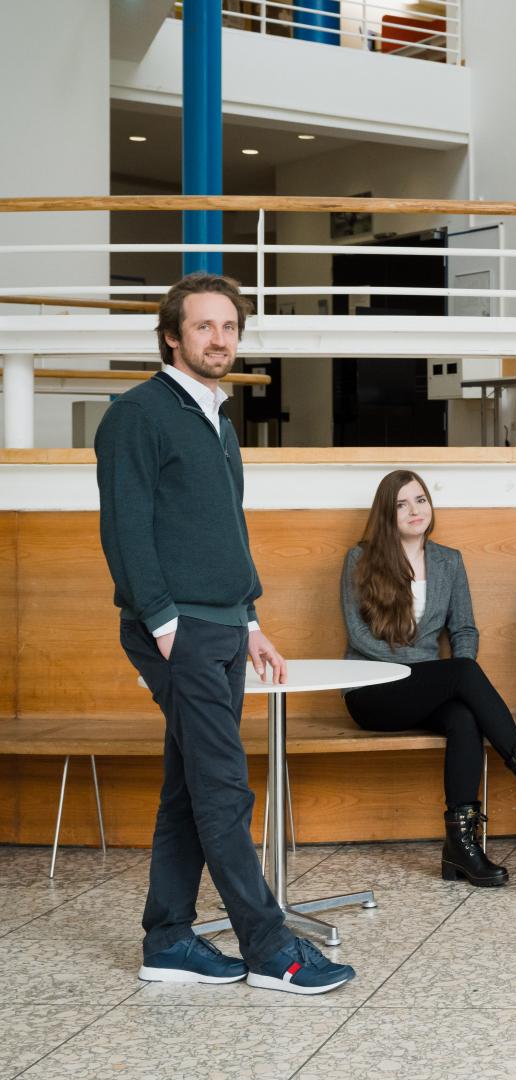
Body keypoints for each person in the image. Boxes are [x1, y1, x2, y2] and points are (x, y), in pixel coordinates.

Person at [96, 271, 354, 995]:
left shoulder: (218, 419)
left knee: (189, 787)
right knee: (221, 789)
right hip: (177, 629)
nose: (219, 339)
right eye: (204, 326)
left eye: (230, 327)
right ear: (172, 336)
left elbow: (226, 531)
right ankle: (271, 949)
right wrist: (167, 626)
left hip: (219, 624)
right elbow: (124, 531)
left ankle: (168, 938)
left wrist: (249, 618)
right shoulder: (137, 415)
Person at [342, 469, 516, 887]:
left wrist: (450, 679)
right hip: (372, 690)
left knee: (464, 717)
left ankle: (461, 848)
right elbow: (358, 635)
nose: (414, 510)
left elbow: (465, 631)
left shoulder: (448, 561)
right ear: (386, 514)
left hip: (423, 688)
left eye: (420, 500)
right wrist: (437, 673)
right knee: (460, 672)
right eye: (401, 504)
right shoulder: (360, 559)